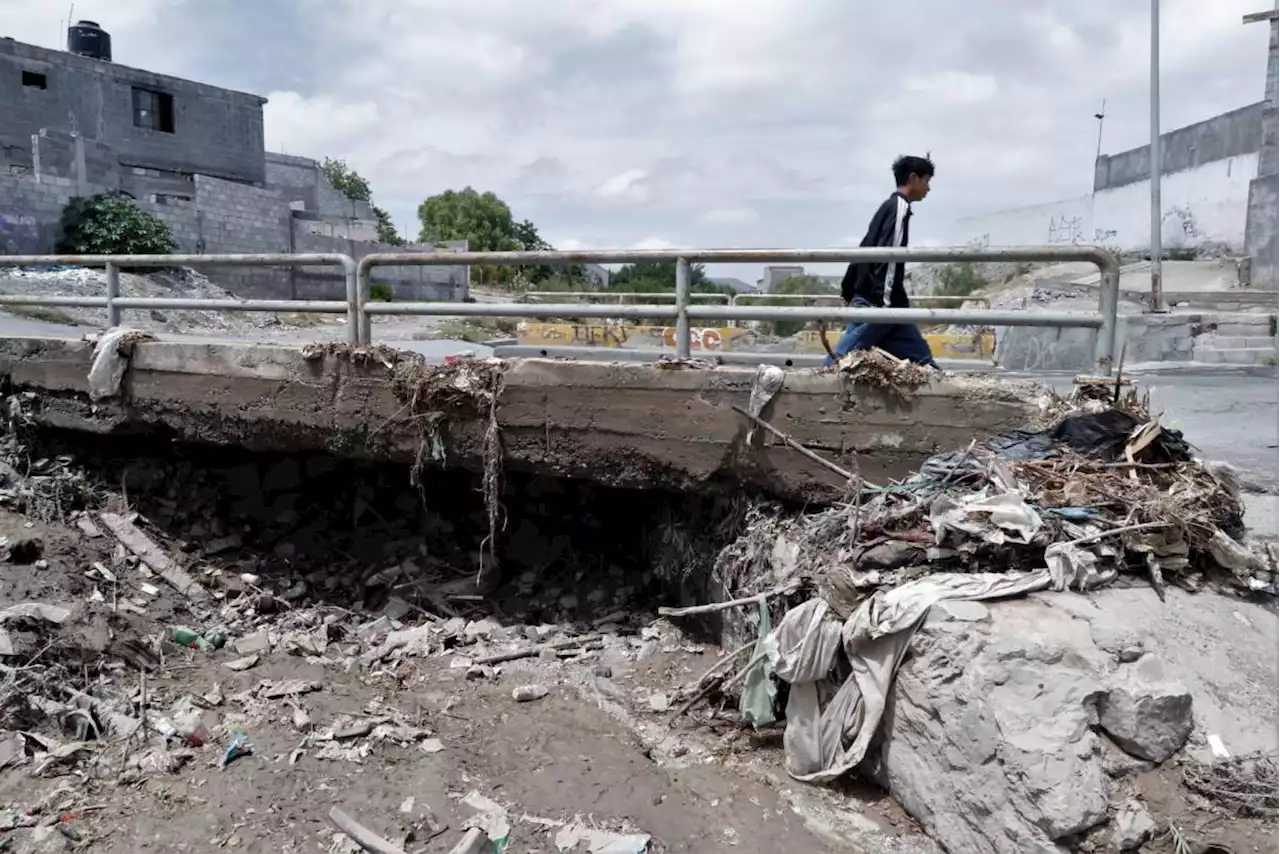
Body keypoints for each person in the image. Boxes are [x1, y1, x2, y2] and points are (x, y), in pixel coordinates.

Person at [825, 155, 940, 369]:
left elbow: (868, 248)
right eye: (926, 181)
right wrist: (884, 306)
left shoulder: (891, 206)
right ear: (913, 178)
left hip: (887, 302)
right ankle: (807, 390)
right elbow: (889, 257)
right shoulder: (898, 207)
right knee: (837, 361)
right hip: (878, 303)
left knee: (922, 358)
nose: (928, 188)